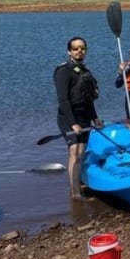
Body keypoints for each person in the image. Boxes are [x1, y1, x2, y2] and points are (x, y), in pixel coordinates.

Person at [53, 37, 103, 200]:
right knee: (74, 152)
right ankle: (75, 193)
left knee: (81, 152)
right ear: (69, 51)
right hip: (68, 117)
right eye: (75, 49)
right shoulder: (63, 72)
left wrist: (95, 118)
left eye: (82, 48)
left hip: (84, 116)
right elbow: (63, 100)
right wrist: (73, 123)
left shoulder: (85, 71)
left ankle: (77, 184)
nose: (79, 51)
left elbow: (87, 98)